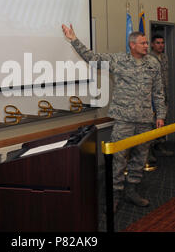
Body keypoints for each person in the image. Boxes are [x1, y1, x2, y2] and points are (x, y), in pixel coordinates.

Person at [61, 24, 166, 209]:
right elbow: (92, 57)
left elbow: (158, 92)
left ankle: (131, 191)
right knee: (118, 159)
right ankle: (113, 196)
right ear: (132, 45)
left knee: (140, 159)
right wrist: (74, 39)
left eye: (146, 43)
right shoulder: (118, 60)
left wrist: (161, 115)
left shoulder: (153, 64)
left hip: (145, 120)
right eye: (142, 43)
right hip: (124, 120)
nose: (146, 46)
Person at [147, 35, 173, 164]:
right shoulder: (148, 59)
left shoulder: (164, 57)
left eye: (162, 43)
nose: (161, 45)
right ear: (152, 44)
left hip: (164, 96)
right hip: (152, 98)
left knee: (162, 123)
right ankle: (149, 151)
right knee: (152, 124)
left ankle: (159, 145)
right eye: (158, 43)